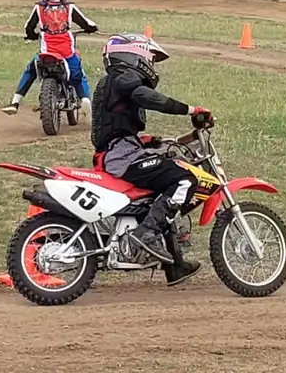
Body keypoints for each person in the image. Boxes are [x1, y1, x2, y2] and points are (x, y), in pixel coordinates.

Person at [89, 34, 210, 287]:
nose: (152, 65)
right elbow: (149, 98)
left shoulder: (112, 83)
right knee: (185, 179)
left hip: (118, 153)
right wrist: (190, 110)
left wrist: (149, 141)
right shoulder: (125, 79)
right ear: (135, 56)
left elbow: (113, 129)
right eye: (150, 59)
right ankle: (145, 235)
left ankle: (175, 266)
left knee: (162, 191)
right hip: (122, 157)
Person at [5, 0, 97, 114]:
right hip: (67, 53)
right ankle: (85, 100)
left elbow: (28, 27)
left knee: (30, 71)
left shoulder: (39, 8)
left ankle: (15, 102)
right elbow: (87, 24)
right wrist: (92, 28)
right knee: (78, 75)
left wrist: (32, 35)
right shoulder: (69, 7)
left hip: (47, 53)